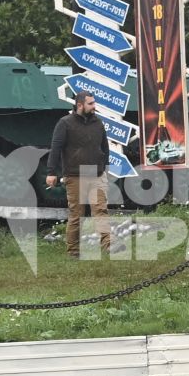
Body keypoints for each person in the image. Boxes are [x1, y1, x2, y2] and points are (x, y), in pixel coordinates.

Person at [45, 92, 112, 258]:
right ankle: (73, 251)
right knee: (77, 215)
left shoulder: (98, 123)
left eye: (94, 103)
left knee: (100, 211)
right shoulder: (65, 123)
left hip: (96, 174)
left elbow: (105, 146)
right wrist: (51, 172)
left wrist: (104, 167)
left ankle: (109, 246)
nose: (94, 106)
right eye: (90, 103)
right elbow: (56, 149)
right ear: (80, 105)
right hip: (75, 175)